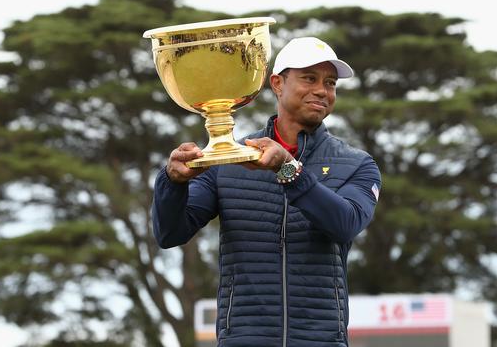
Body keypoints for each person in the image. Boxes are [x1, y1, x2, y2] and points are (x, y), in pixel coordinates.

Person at [152, 36, 381, 347]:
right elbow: (170, 234)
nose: (322, 90)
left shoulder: (356, 164)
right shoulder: (229, 160)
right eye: (309, 78)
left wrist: (289, 170)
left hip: (320, 340)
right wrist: (172, 182)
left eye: (330, 83)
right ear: (277, 83)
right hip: (243, 339)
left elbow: (345, 225)